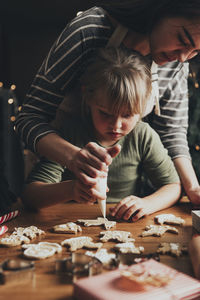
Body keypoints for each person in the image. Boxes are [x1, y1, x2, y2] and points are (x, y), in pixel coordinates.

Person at [16, 0, 200, 205]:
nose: (183, 58)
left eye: (195, 51)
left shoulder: (177, 62)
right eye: (182, 39)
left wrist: (193, 188)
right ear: (162, 9)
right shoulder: (90, 30)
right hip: (56, 167)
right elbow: (29, 117)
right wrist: (73, 158)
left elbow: (172, 134)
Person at [21, 47, 181, 221]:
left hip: (123, 227)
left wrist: (147, 204)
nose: (116, 125)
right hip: (68, 223)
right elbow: (30, 196)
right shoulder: (69, 133)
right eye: (105, 113)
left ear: (143, 105)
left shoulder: (143, 136)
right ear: (88, 97)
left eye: (127, 115)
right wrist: (72, 190)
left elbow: (173, 187)